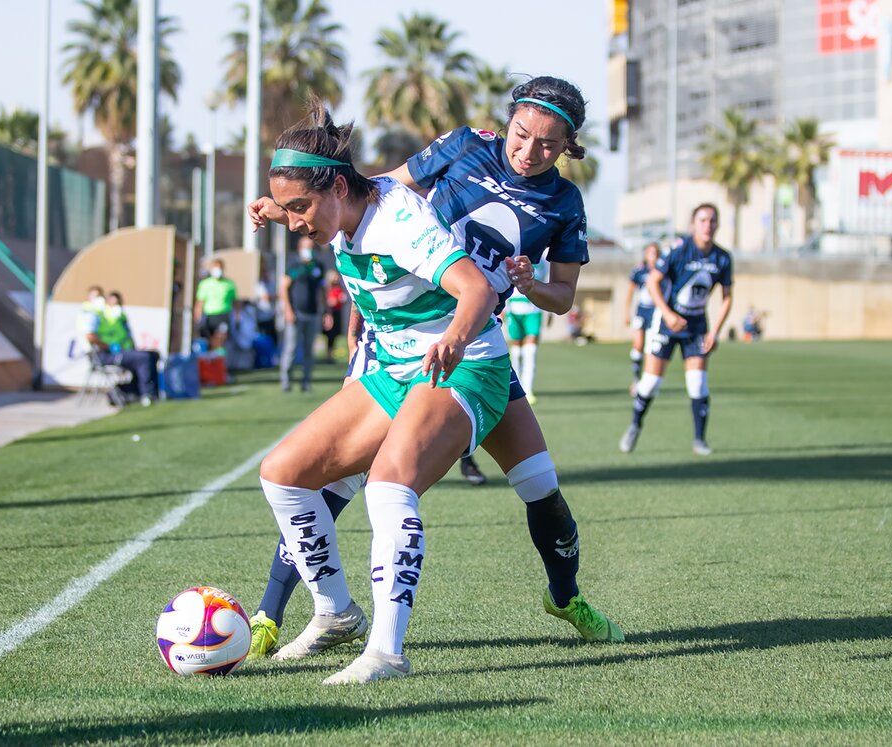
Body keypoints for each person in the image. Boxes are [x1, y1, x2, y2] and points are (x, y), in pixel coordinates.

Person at [246, 76, 624, 662]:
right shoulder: (463, 147)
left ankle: (563, 597)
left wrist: (529, 285)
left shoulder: (563, 204)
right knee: (323, 476)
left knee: (535, 484)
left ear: (567, 146)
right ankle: (292, 612)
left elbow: (563, 296)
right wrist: (291, 208)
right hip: (409, 340)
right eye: (521, 135)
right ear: (508, 123)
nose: (528, 151)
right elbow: (366, 201)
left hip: (467, 347)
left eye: (547, 145)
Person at [248, 100, 511, 684]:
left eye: (301, 209)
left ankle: (386, 651)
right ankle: (335, 613)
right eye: (286, 209)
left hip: (463, 368)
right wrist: (275, 206)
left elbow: (475, 291)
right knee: (282, 474)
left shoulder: (399, 225)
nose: (295, 223)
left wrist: (453, 343)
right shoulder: (344, 202)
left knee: (390, 485)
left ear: (338, 187)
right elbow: (311, 201)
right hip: (392, 372)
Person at [619, 203, 733, 456]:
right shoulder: (679, 250)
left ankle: (699, 440)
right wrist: (668, 314)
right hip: (666, 324)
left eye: (712, 220)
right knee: (650, 384)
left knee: (698, 384)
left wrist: (715, 331)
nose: (708, 225)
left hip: (696, 327)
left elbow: (727, 296)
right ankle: (635, 425)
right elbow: (653, 281)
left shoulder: (722, 258)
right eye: (703, 220)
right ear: (693, 224)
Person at [79, 286, 160, 406]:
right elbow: (91, 336)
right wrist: (109, 347)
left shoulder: (106, 315)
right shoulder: (90, 314)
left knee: (152, 355)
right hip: (102, 355)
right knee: (143, 358)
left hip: (115, 351)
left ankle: (135, 391)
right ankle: (147, 394)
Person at [279, 236, 325, 392]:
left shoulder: (317, 266)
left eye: (311, 247)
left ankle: (306, 381)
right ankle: (286, 380)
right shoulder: (294, 266)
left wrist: (326, 311)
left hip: (312, 313)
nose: (309, 250)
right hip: (296, 313)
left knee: (308, 350)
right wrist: (288, 310)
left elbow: (321, 290)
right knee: (291, 348)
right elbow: (283, 288)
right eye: (306, 247)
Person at [503, 260, 547, 404]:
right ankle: (516, 386)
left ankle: (528, 389)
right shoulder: (514, 249)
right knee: (516, 349)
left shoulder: (544, 258)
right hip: (513, 307)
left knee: (531, 349)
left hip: (534, 308)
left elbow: (547, 279)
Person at [623, 242, 663, 395]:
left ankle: (648, 380)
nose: (654, 255)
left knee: (651, 348)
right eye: (651, 252)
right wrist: (627, 312)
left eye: (656, 253)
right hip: (642, 311)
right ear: (646, 254)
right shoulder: (639, 271)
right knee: (638, 345)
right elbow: (630, 293)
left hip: (656, 312)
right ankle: (636, 380)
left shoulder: (662, 270)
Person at [194, 258, 237, 353]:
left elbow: (235, 301)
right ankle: (211, 357)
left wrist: (237, 315)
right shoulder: (205, 284)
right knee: (210, 339)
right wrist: (197, 315)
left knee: (221, 337)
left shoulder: (229, 284)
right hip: (209, 315)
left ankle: (220, 358)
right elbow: (200, 301)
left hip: (223, 315)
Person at [321, 270, 346, 363]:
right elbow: (326, 301)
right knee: (329, 334)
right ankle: (328, 355)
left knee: (335, 334)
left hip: (337, 312)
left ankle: (332, 354)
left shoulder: (339, 287)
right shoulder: (326, 287)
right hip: (329, 313)